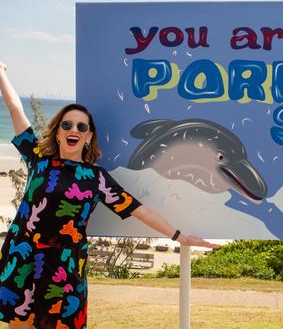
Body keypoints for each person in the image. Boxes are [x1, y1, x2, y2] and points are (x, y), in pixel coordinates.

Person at [0, 61, 218, 329]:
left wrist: (180, 236)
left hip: (64, 269)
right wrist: (1, 73)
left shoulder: (96, 179)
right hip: (24, 256)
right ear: (58, 132)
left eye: (82, 127)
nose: (74, 130)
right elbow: (15, 110)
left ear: (89, 137)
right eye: (67, 124)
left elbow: (140, 210)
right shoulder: (38, 159)